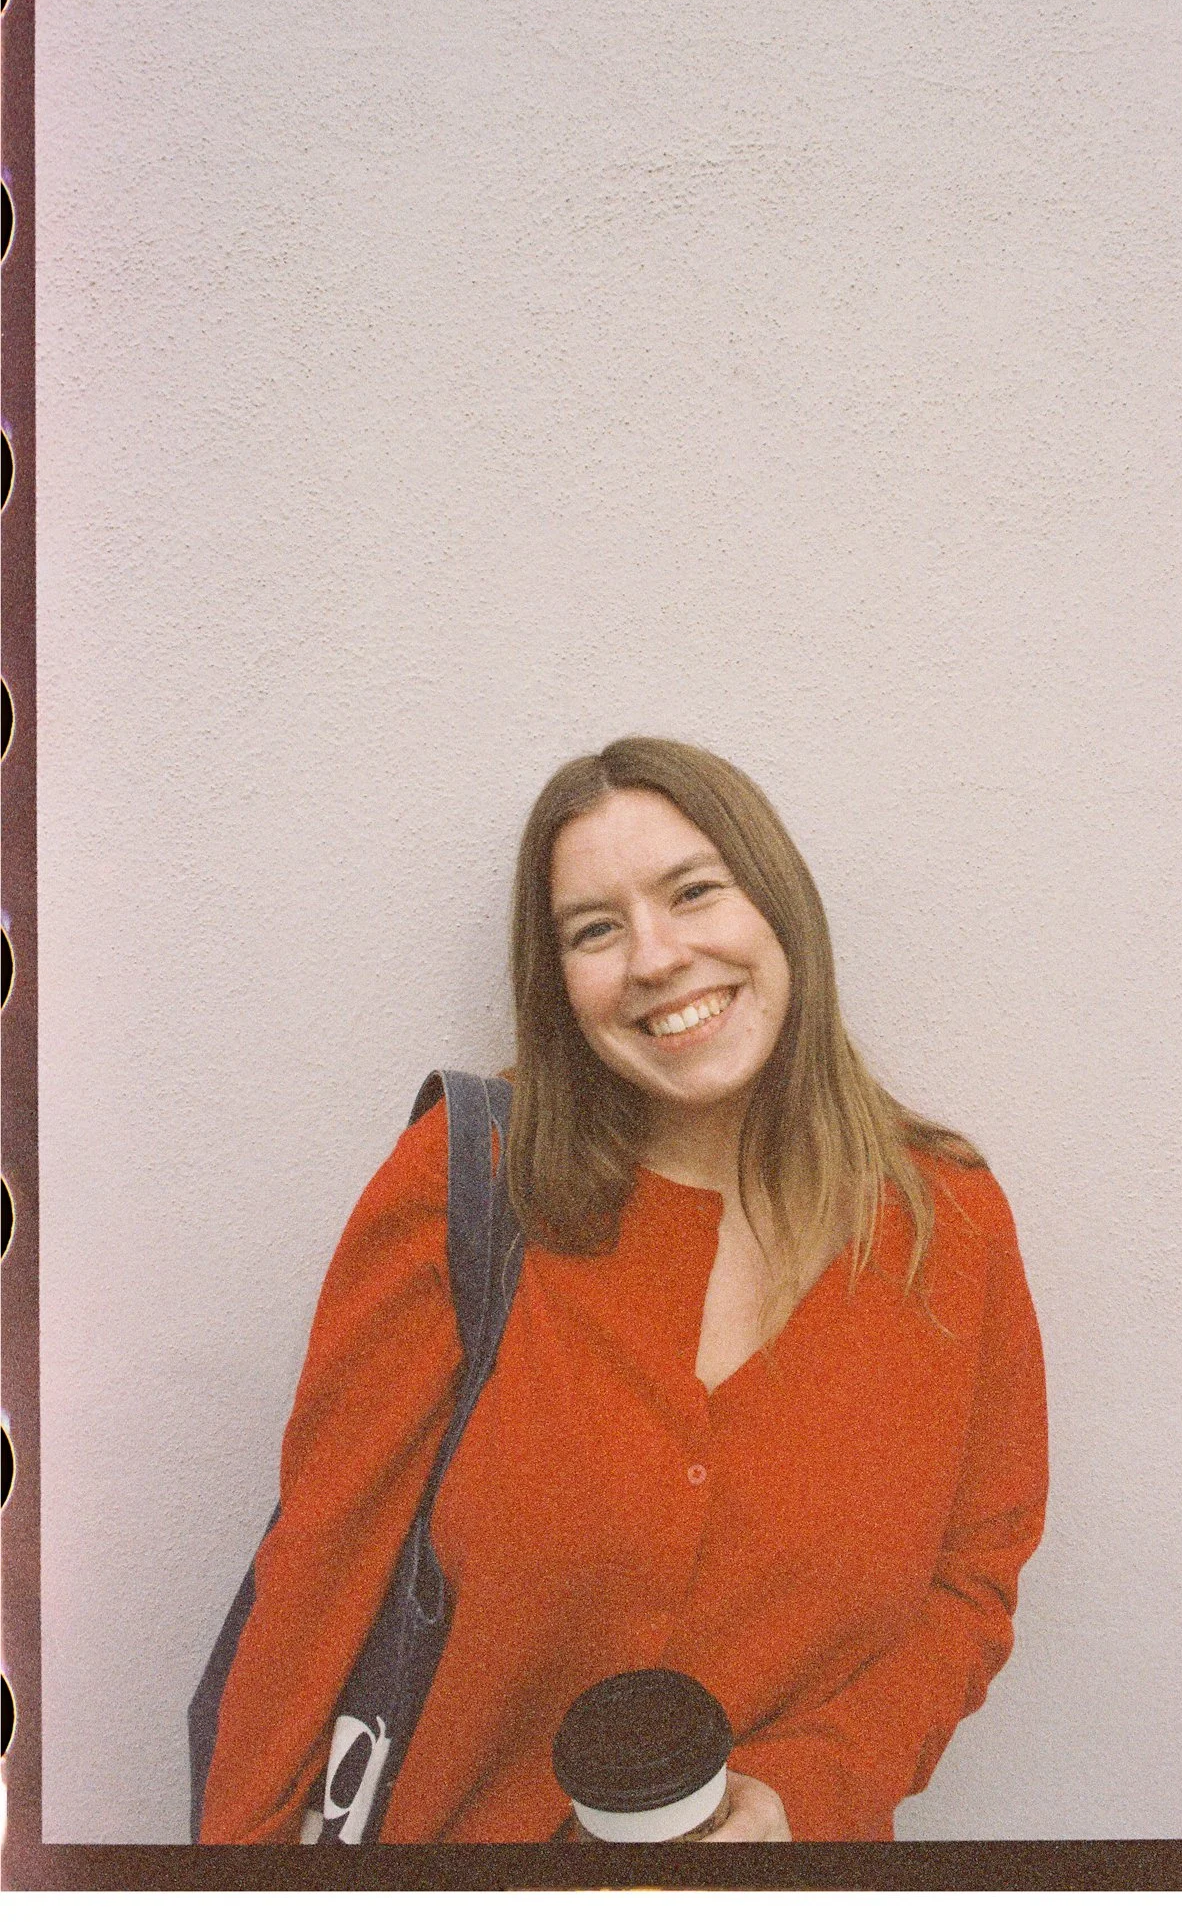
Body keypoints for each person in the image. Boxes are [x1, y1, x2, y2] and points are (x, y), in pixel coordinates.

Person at [199, 737, 1048, 1843]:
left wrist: (809, 1791)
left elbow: (968, 1588)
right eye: (594, 929)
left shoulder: (949, 1222)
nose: (655, 956)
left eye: (693, 891)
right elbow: (315, 1584)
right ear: (559, 981)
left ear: (778, 905)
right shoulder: (469, 1183)